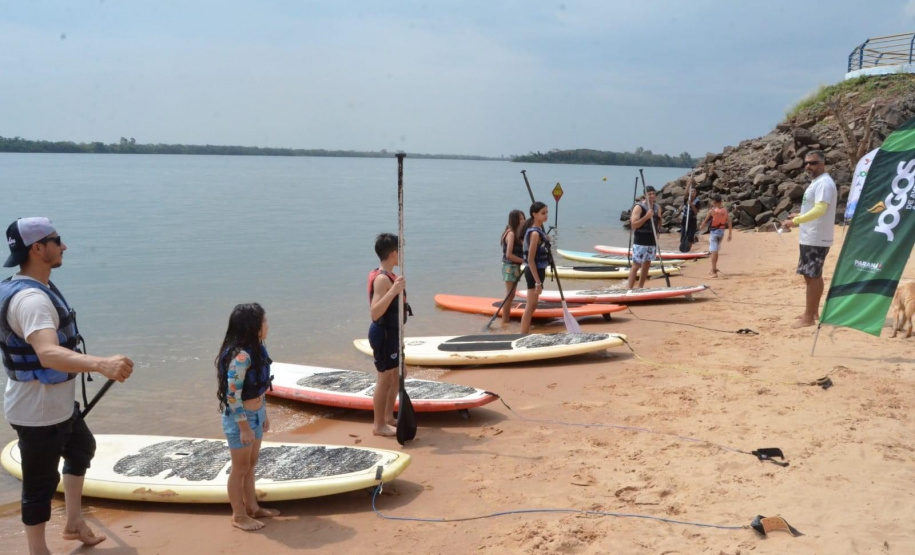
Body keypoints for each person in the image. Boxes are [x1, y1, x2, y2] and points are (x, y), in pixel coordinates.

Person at [1, 217, 134, 554]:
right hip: (38, 413)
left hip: (56, 406)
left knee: (80, 449)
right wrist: (102, 364)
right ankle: (37, 551)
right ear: (37, 248)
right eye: (57, 240)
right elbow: (46, 353)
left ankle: (74, 523)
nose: (64, 246)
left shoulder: (37, 287)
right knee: (39, 486)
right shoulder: (31, 301)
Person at [215, 302, 280, 531]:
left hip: (257, 413)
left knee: (251, 464)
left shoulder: (257, 348)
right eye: (265, 321)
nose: (268, 325)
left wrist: (264, 413)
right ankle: (238, 515)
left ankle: (253, 507)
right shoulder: (241, 357)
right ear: (254, 326)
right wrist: (244, 427)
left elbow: (260, 388)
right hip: (240, 418)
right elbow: (233, 397)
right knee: (240, 468)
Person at [781, 150, 837, 328]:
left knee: (812, 276)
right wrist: (800, 214)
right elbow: (816, 207)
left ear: (822, 164)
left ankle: (808, 318)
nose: (808, 166)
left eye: (812, 163)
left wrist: (795, 221)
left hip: (816, 237)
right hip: (811, 236)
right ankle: (812, 311)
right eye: (806, 163)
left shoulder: (824, 183)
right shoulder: (817, 182)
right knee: (811, 275)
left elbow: (821, 209)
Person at [367, 233, 409, 437]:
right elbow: (375, 312)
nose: (401, 254)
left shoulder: (390, 276)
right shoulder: (383, 279)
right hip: (383, 334)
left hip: (393, 333)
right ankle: (378, 425)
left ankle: (388, 417)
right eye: (399, 250)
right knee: (384, 379)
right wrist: (393, 291)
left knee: (397, 376)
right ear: (393, 253)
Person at [520, 202, 550, 334]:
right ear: (534, 214)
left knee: (533, 305)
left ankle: (525, 332)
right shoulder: (535, 234)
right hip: (534, 272)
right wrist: (538, 282)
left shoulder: (538, 232)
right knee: (530, 306)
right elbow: (531, 259)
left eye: (546, 212)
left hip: (539, 271)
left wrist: (546, 239)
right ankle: (522, 334)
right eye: (543, 213)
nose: (546, 215)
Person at [627, 186, 662, 289]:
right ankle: (629, 288)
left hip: (652, 240)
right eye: (649, 194)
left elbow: (659, 221)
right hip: (640, 240)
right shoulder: (639, 207)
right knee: (636, 265)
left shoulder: (657, 207)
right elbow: (634, 225)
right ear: (644, 196)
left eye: (653, 193)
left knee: (646, 265)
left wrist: (658, 232)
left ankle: (640, 287)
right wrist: (646, 217)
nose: (651, 196)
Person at [500, 209, 526, 325]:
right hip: (509, 267)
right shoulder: (510, 234)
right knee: (509, 296)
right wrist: (524, 260)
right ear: (514, 221)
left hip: (515, 267)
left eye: (523, 218)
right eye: (520, 219)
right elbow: (509, 254)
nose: (523, 221)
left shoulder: (517, 233)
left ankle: (506, 319)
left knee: (512, 294)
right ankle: (505, 321)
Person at [699, 194, 733, 277]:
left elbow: (705, 222)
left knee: (713, 251)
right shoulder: (725, 210)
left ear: (714, 202)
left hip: (714, 233)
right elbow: (729, 222)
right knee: (716, 251)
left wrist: (701, 227)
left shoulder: (712, 211)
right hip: (721, 233)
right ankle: (713, 268)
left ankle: (714, 272)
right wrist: (730, 234)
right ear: (721, 202)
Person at [680, 183, 700, 250]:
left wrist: (691, 204)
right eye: (692, 191)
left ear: (696, 193)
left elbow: (696, 212)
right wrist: (689, 182)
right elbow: (685, 193)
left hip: (692, 220)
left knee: (690, 237)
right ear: (689, 192)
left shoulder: (697, 201)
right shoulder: (686, 199)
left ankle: (688, 249)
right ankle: (683, 249)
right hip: (685, 220)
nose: (693, 192)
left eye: (694, 191)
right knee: (683, 235)